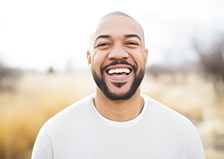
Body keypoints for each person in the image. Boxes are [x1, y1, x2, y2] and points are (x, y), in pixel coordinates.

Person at [31, 11, 205, 159]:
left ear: (145, 56)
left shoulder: (183, 135)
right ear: (89, 58)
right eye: (104, 44)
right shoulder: (54, 136)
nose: (117, 53)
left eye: (131, 43)